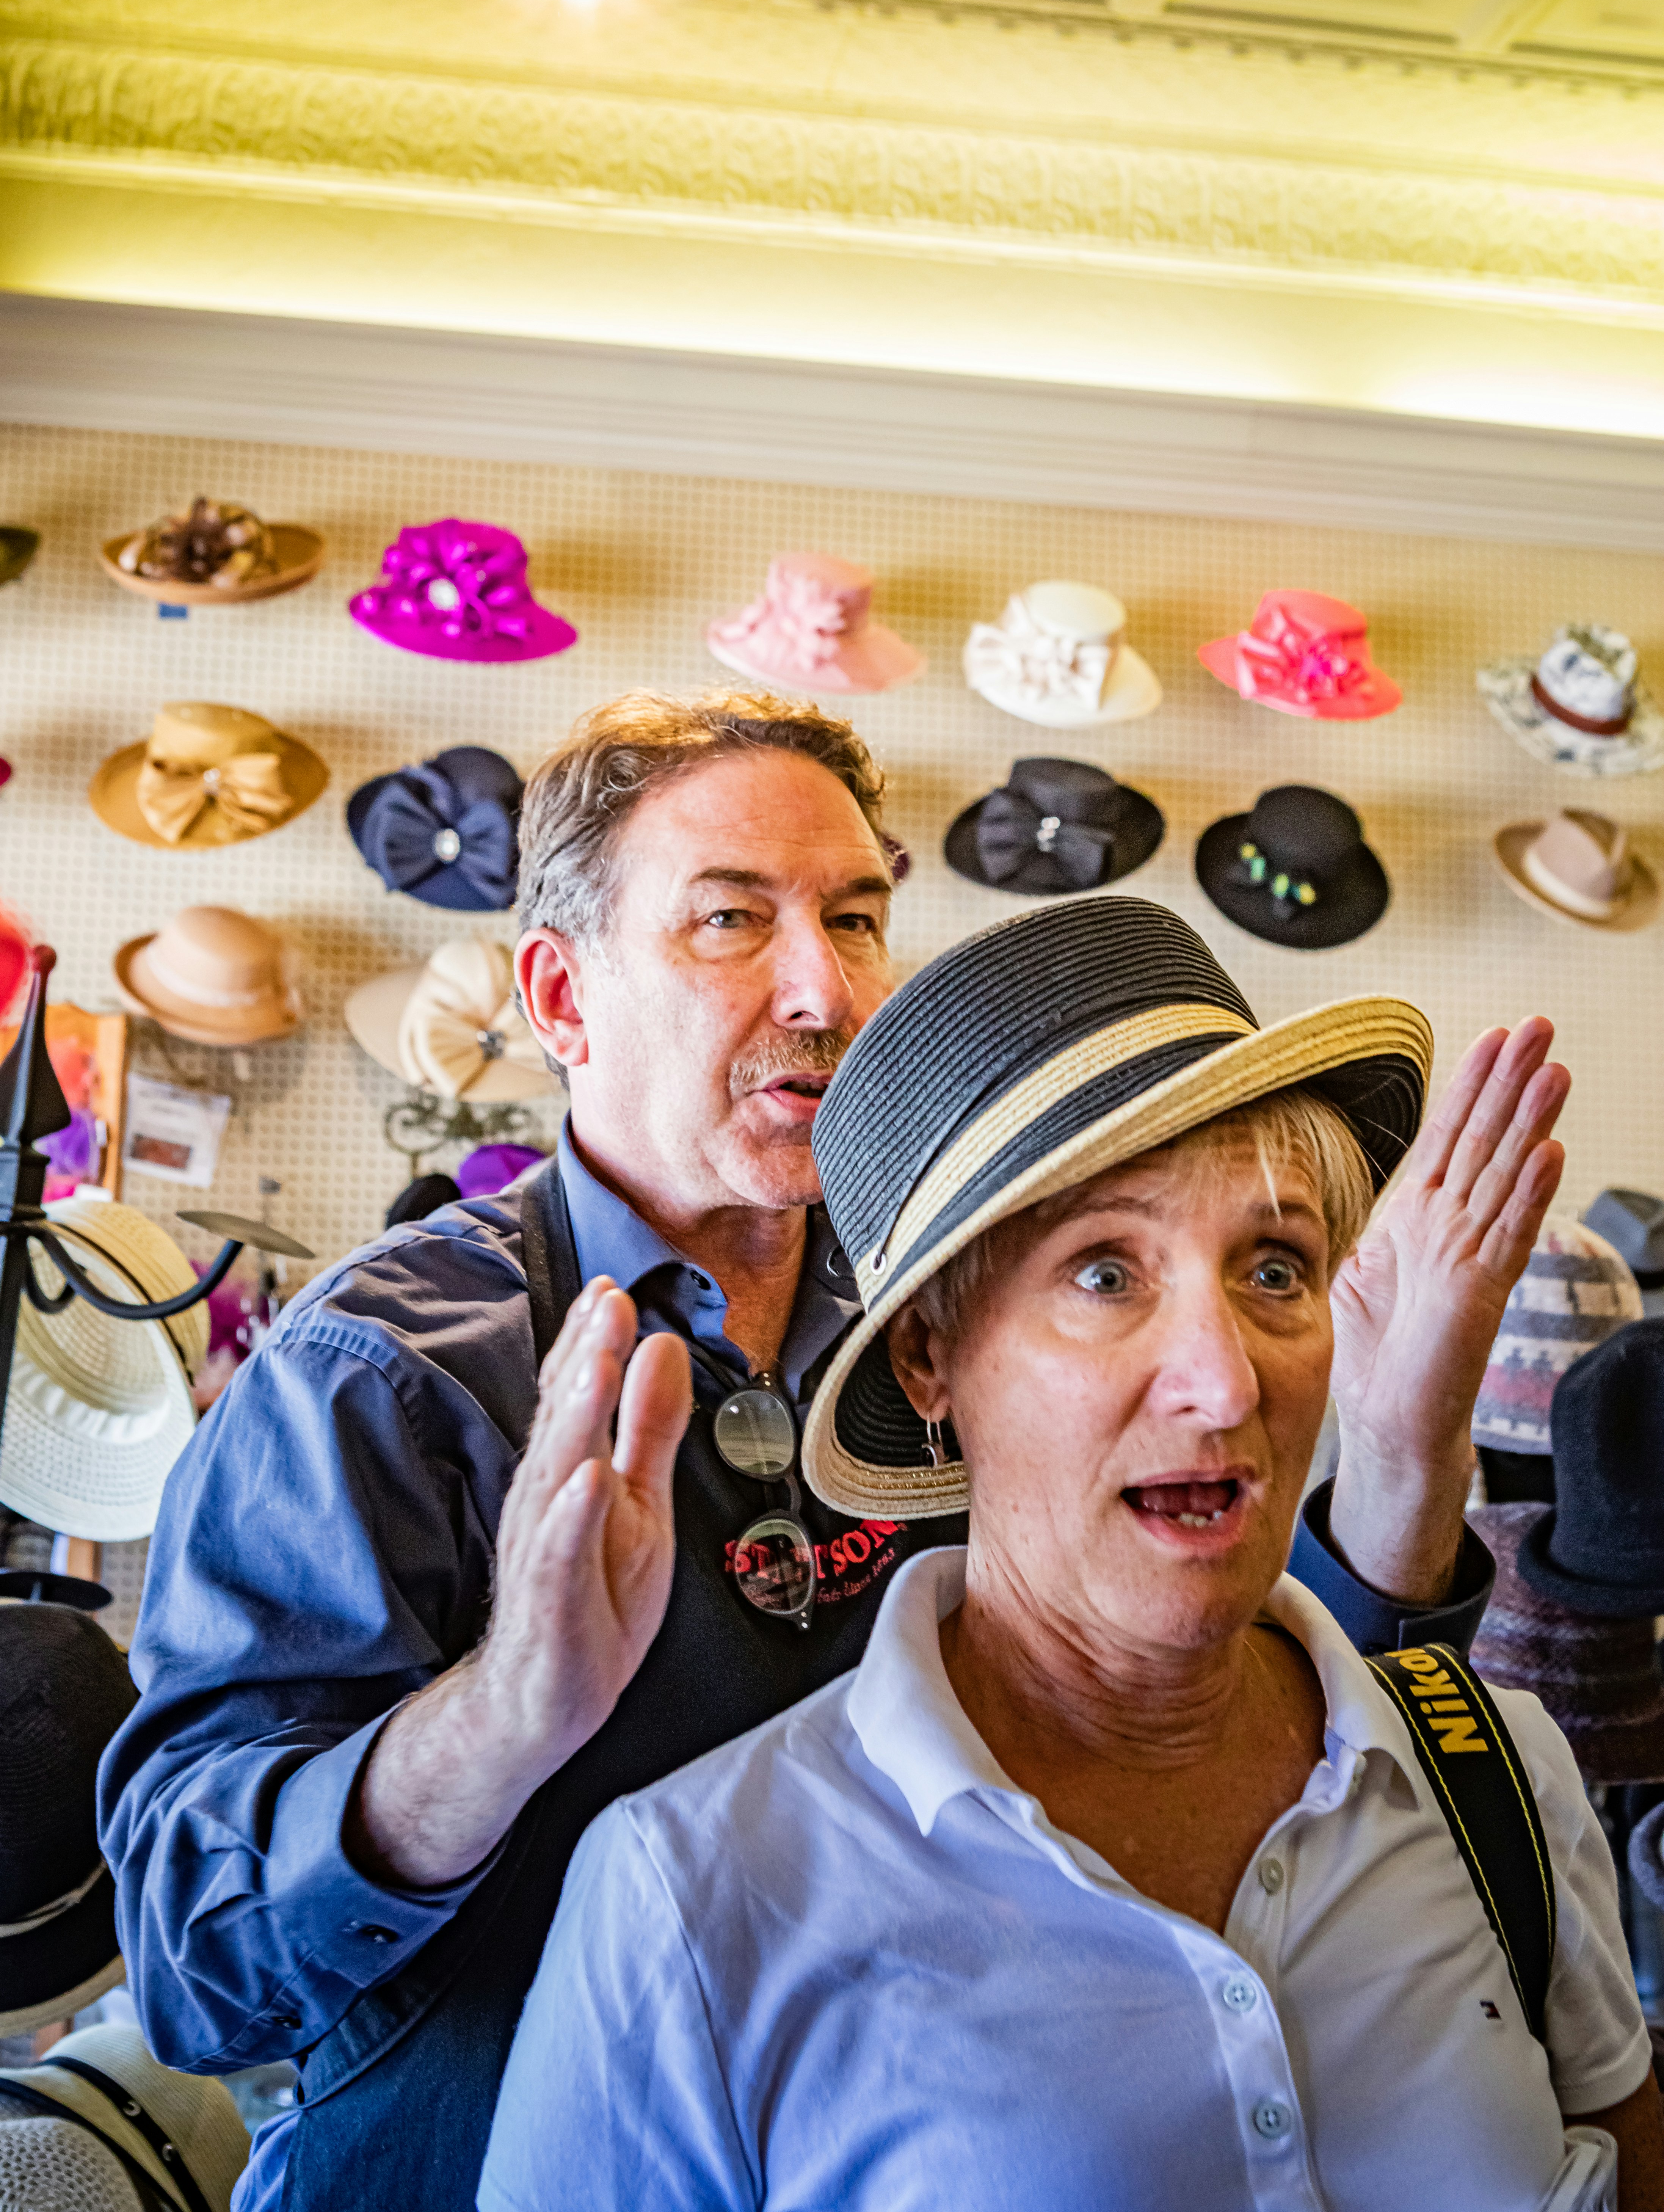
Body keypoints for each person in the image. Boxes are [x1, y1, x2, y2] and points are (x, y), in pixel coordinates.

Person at [101, 692, 1568, 2211]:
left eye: (857, 917)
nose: (824, 986)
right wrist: (500, 1721)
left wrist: (1399, 1451)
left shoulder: (956, 1319)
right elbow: (198, 1973)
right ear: (560, 994)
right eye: (732, 921)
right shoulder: (383, 1378)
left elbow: (1266, 1745)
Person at [482, 897, 1659, 2212]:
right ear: (930, 1355)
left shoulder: (1490, 1776)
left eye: (1275, 1269)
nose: (1222, 1384)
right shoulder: (696, 1904)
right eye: (1104, 1275)